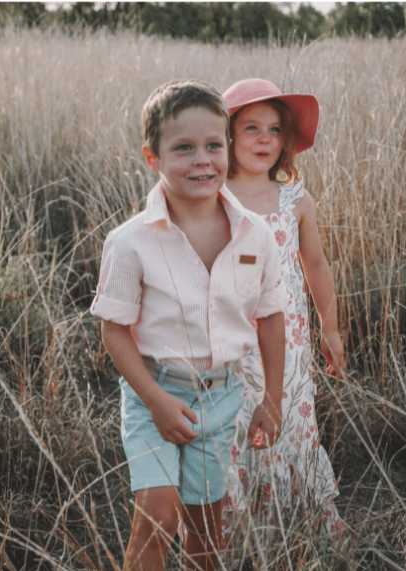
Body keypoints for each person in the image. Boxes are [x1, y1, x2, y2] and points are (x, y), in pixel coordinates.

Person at [90, 79, 289, 571]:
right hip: (154, 390)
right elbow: (114, 330)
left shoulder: (255, 234)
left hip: (222, 396)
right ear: (152, 158)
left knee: (206, 524)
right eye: (183, 148)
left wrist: (272, 399)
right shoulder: (132, 241)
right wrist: (156, 402)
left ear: (228, 150)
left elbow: (270, 317)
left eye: (214, 145)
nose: (202, 160)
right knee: (156, 516)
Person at [221, 78, 345, 548]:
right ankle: (240, 538)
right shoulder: (214, 196)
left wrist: (330, 328)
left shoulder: (295, 199)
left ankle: (302, 531)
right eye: (250, 127)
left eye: (274, 129)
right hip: (232, 343)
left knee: (291, 421)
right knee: (238, 428)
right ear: (228, 134)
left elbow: (315, 264)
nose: (264, 139)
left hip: (289, 344)